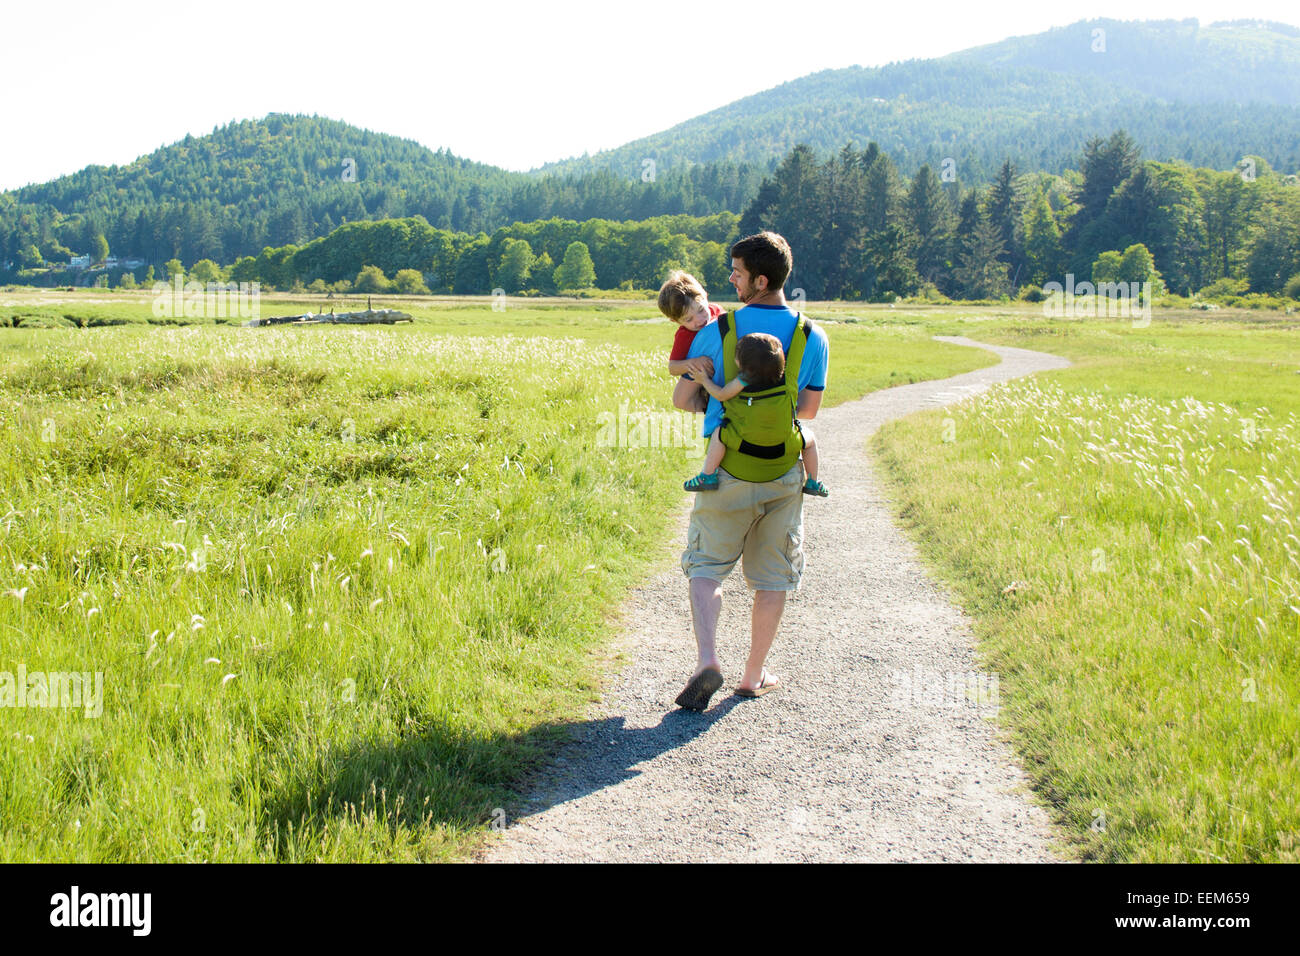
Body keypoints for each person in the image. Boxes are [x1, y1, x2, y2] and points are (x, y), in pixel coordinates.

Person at [672, 232, 829, 709]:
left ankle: (707, 660)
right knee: (772, 577)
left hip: (727, 473)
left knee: (706, 567)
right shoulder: (812, 335)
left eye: (737, 273)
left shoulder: (718, 331)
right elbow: (810, 410)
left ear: (760, 280)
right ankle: (753, 675)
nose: (731, 280)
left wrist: (714, 396)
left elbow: (682, 399)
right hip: (783, 472)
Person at [682, 329, 827, 497]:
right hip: (783, 445)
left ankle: (707, 475)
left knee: (718, 434)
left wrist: (704, 380)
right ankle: (813, 481)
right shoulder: (787, 382)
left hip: (746, 443)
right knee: (810, 440)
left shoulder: (743, 380)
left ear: (741, 363)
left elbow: (720, 394)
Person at [658, 270, 722, 413]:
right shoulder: (684, 335)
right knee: (679, 400)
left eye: (700, 310)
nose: (699, 320)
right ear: (676, 321)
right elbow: (673, 368)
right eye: (688, 319)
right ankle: (707, 412)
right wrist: (693, 363)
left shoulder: (718, 312)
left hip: (724, 370)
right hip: (701, 377)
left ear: (705, 296)